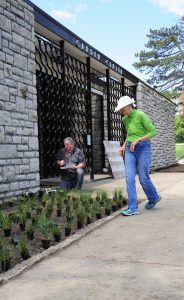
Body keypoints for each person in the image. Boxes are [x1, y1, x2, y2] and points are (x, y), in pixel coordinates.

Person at [114, 95, 161, 216]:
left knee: (143, 178)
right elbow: (130, 133)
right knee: (129, 178)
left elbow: (153, 132)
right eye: (120, 109)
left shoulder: (141, 115)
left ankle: (154, 197)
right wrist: (124, 145)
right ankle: (133, 207)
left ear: (129, 105)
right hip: (130, 148)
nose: (121, 111)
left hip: (143, 148)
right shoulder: (125, 119)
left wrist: (138, 140)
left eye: (122, 108)